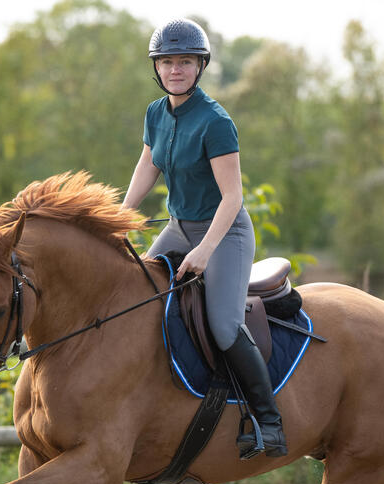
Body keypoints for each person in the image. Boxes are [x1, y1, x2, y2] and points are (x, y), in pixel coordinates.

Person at [121, 18, 287, 459]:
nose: (176, 69)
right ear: (157, 68)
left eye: (185, 62)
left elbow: (233, 197)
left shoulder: (216, 121)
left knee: (223, 325)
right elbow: (146, 167)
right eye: (168, 62)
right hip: (178, 227)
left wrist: (205, 249)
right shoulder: (156, 113)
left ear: (200, 66)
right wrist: (118, 218)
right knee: (136, 293)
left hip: (224, 232)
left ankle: (269, 421)